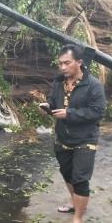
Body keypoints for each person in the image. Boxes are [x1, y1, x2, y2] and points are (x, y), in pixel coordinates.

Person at [40, 44, 106, 223]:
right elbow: (53, 100)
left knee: (80, 180)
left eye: (66, 63)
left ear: (79, 62)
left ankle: (78, 218)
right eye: (60, 63)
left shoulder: (93, 85)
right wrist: (48, 106)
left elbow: (98, 112)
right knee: (67, 174)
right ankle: (74, 202)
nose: (62, 67)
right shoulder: (58, 82)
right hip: (63, 138)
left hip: (85, 139)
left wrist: (69, 114)